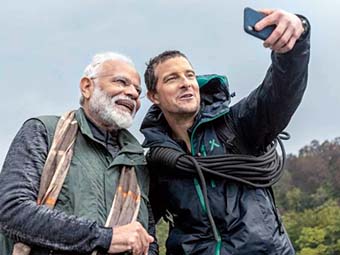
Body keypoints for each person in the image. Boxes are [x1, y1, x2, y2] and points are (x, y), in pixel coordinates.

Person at [140, 9, 310, 255]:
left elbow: (281, 93)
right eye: (172, 79)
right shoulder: (156, 160)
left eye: (190, 75)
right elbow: (144, 223)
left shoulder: (237, 125)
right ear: (154, 96)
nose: (187, 82)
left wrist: (296, 41)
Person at [0, 52, 157, 255]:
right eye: (121, 82)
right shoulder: (44, 131)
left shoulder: (137, 163)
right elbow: (12, 210)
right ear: (86, 87)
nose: (133, 93)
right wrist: (104, 237)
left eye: (137, 90)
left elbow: (147, 239)